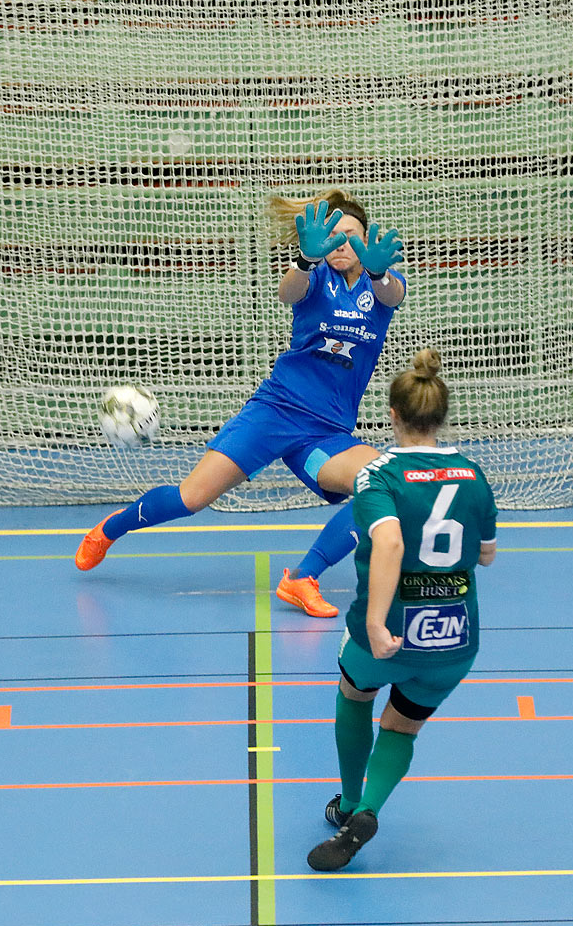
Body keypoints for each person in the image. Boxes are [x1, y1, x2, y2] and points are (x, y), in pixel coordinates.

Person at [75, 190, 406, 621]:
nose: (342, 245)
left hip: (327, 432)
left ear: (368, 243)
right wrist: (305, 260)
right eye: (333, 237)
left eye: (351, 237)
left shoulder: (379, 286)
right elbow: (288, 293)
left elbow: (393, 295)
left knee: (379, 486)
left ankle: (302, 578)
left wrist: (381, 274)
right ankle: (110, 529)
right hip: (276, 412)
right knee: (191, 498)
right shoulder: (314, 276)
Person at [306, 348, 498, 871]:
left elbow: (388, 541)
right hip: (454, 638)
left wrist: (374, 622)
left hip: (387, 630)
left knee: (355, 693)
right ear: (440, 417)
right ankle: (370, 808)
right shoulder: (473, 474)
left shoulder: (378, 476)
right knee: (403, 726)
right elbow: (486, 552)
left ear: (392, 416)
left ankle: (348, 805)